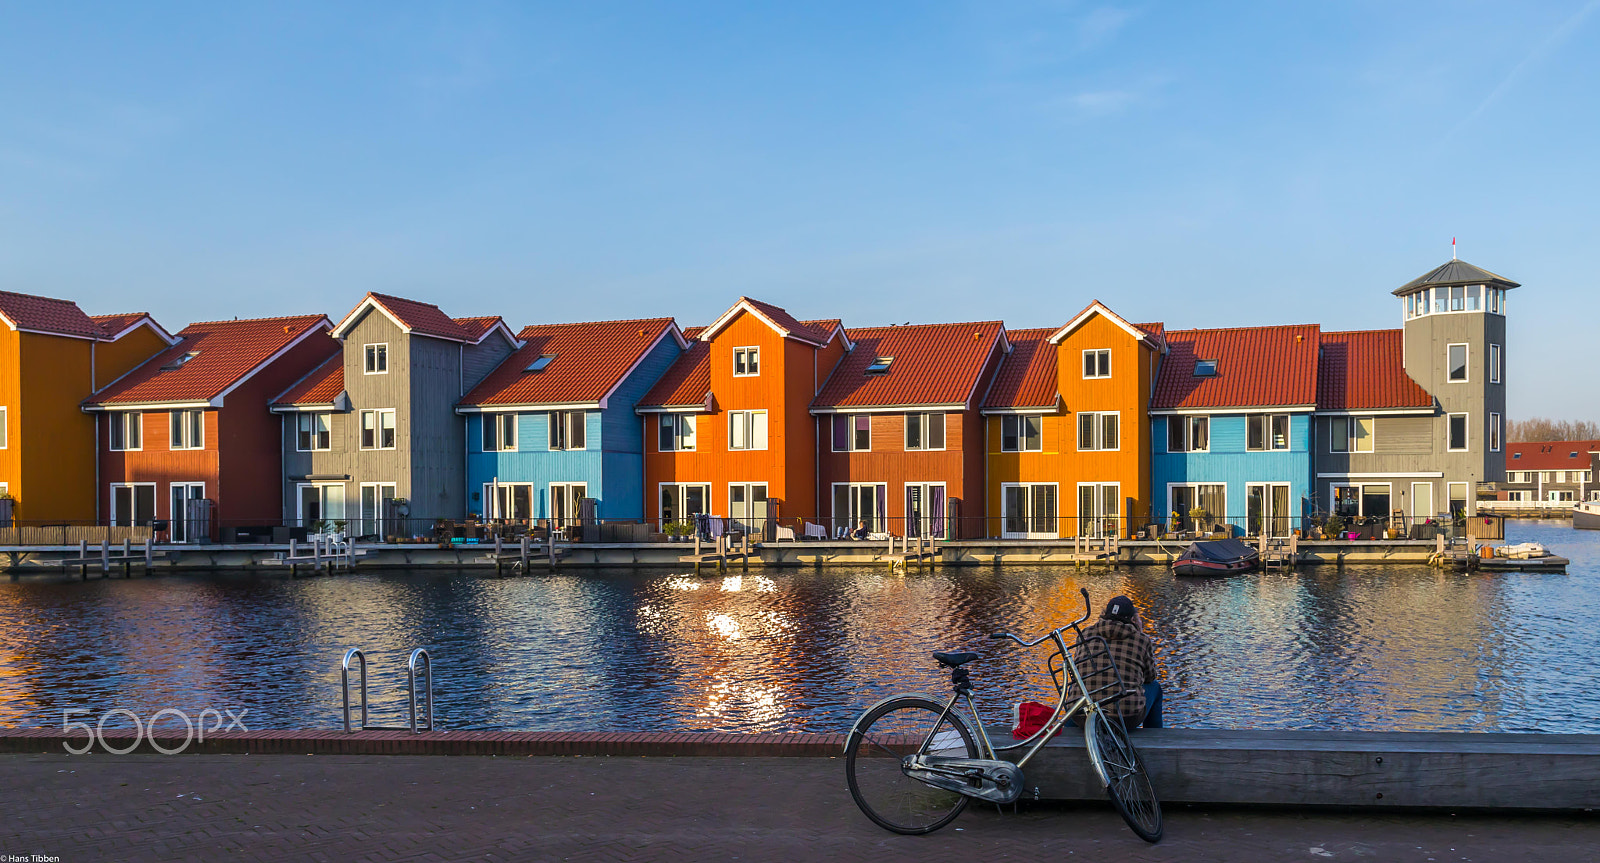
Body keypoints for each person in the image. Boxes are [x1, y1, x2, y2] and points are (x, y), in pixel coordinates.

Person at [1072, 595, 1162, 729]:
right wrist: (1140, 633)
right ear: (1133, 619)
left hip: (1082, 717)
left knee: (1079, 689)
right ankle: (1156, 739)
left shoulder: (1085, 634)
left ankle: (1068, 735)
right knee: (1155, 687)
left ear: (1104, 615)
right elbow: (1150, 677)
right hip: (1125, 719)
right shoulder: (1141, 639)